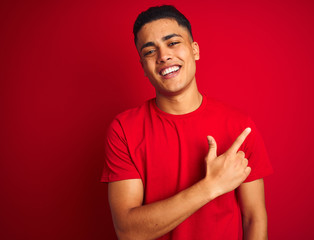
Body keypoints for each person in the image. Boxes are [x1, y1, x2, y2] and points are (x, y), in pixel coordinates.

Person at [101, 5, 273, 240]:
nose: (163, 56)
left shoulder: (239, 127)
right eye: (150, 51)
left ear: (195, 50)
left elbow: (254, 218)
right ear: (143, 67)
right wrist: (210, 187)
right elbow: (128, 232)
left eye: (172, 43)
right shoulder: (123, 129)